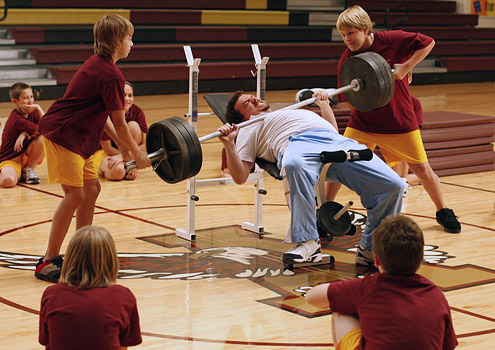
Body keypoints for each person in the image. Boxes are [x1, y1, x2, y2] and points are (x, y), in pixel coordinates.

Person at [219, 90, 403, 266]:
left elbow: (332, 130)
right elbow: (240, 176)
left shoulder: (291, 110)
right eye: (247, 103)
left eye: (253, 97)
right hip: (298, 144)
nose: (254, 100)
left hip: (336, 142)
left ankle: (370, 249)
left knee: (393, 186)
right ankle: (308, 242)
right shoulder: (248, 126)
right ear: (242, 117)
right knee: (293, 165)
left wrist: (324, 106)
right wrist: (229, 145)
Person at [34, 14, 151, 282]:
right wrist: (136, 152)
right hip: (64, 135)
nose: (132, 43)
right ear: (116, 42)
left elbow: (107, 118)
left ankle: (80, 254)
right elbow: (121, 123)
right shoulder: (111, 74)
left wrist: (124, 146)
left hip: (82, 138)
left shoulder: (100, 65)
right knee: (74, 196)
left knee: (92, 189)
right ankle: (48, 259)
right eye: (129, 38)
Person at [328, 5, 461, 235]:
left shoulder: (393, 40)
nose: (347, 39)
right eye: (343, 35)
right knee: (340, 162)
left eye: (351, 33)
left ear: (365, 28)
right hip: (363, 124)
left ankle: (443, 211)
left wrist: (407, 66)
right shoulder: (347, 61)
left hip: (399, 122)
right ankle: (326, 209)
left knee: (422, 169)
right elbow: (349, 101)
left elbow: (428, 42)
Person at [305, 215, 458, 350]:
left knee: (341, 308)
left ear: (376, 259)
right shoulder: (436, 295)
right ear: (421, 258)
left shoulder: (368, 287)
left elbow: (311, 297)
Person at [39, 225, 142, 349]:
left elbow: (47, 342)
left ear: (70, 259)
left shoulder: (52, 295)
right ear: (110, 260)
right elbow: (123, 346)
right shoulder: (123, 296)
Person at [0, 82, 45, 187]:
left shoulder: (34, 111)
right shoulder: (16, 119)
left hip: (26, 157)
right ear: (15, 101)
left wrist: (25, 134)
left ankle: (28, 170)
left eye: (31, 97)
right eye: (26, 98)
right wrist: (28, 132)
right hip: (10, 160)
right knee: (8, 181)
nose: (30, 101)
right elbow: (46, 128)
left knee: (44, 138)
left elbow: (49, 128)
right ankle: (10, 173)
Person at [100, 81, 148, 156]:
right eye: (123, 95)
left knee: (133, 125)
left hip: (132, 150)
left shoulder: (137, 111)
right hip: (113, 150)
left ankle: (129, 158)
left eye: (130, 95)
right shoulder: (107, 114)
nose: (127, 99)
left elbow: (145, 145)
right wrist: (123, 155)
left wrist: (128, 155)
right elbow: (107, 148)